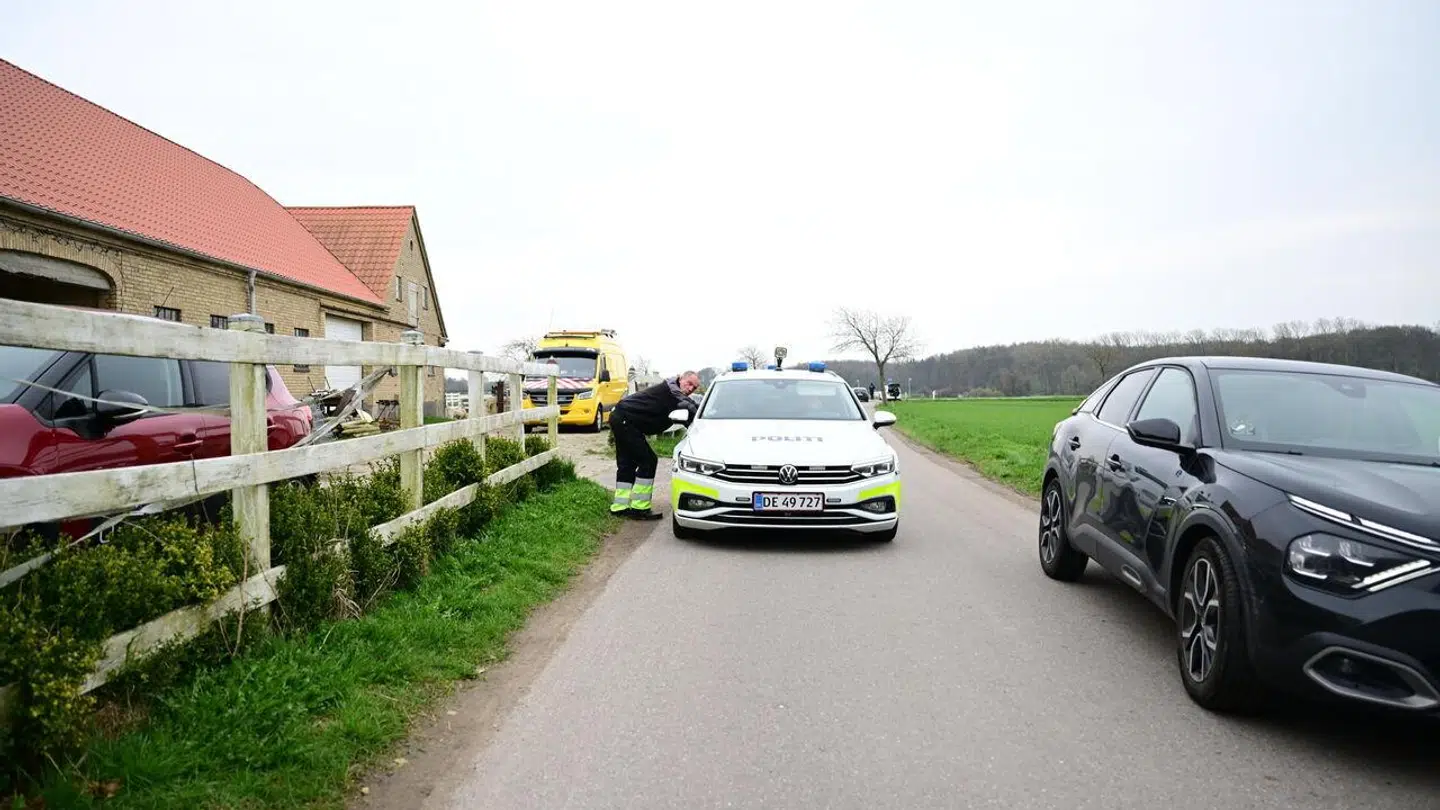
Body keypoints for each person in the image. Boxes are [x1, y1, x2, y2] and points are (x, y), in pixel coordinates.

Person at [608, 370, 701, 519]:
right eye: (689, 383)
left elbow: (688, 409)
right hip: (626, 420)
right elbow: (690, 407)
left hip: (622, 418)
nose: (690, 389)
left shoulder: (673, 391)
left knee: (627, 463)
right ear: (680, 378)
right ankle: (639, 508)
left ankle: (619, 506)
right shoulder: (672, 392)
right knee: (648, 461)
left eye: (694, 388)